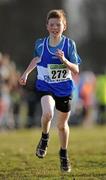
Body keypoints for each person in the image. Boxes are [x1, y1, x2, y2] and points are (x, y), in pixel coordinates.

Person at [19, 9, 81, 172]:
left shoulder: (69, 45)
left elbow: (76, 70)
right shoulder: (40, 43)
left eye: (58, 25)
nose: (55, 27)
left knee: (61, 125)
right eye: (52, 24)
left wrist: (64, 60)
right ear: (47, 26)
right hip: (45, 85)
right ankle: (45, 138)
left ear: (64, 26)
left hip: (64, 88)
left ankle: (63, 154)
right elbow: (36, 59)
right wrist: (26, 73)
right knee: (47, 113)